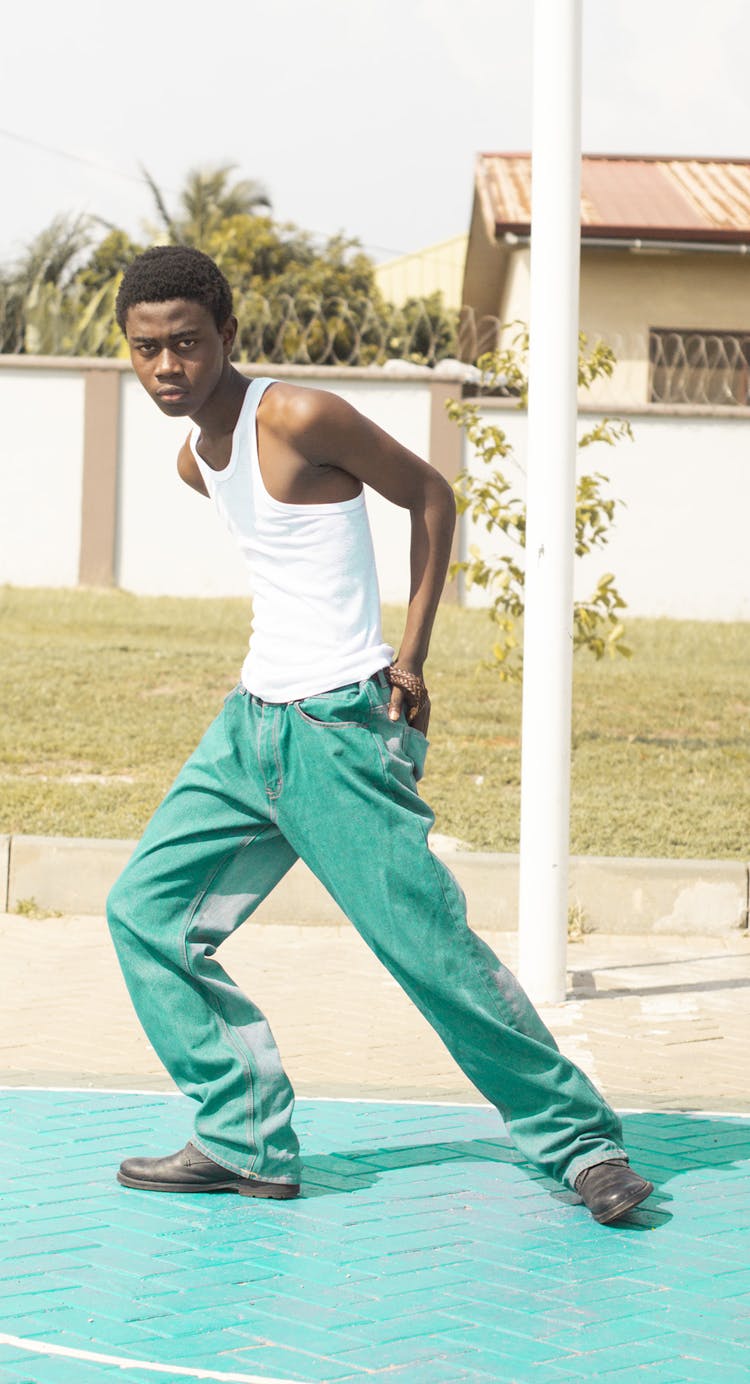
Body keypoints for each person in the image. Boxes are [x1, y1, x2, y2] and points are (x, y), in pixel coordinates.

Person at [106, 245, 653, 1226]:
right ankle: (243, 1138)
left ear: (226, 335)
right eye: (147, 350)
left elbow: (431, 495)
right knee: (145, 912)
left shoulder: (298, 415)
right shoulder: (196, 457)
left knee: (430, 954)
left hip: (341, 733)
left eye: (186, 344)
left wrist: (410, 655)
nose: (167, 367)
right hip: (250, 729)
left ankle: (581, 1146)